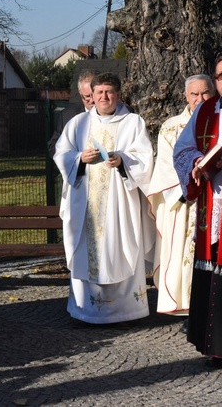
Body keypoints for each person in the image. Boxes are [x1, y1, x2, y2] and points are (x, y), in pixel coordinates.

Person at [54, 72, 156, 323]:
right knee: (86, 252)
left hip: (119, 203)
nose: (104, 97)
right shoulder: (78, 123)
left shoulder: (133, 123)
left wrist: (123, 160)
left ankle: (127, 312)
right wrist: (79, 159)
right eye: (99, 92)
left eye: (109, 92)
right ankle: (84, 312)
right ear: (92, 94)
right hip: (86, 204)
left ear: (118, 94)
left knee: (120, 248)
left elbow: (145, 158)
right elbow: (61, 153)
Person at [172, 55, 222, 366]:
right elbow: (183, 147)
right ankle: (216, 347)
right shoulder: (206, 110)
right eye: (221, 75)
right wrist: (195, 163)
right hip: (212, 198)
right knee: (212, 267)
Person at [147, 74, 214, 322]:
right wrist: (188, 186)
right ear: (185, 96)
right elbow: (165, 166)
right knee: (184, 253)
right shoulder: (171, 126)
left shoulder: (220, 120)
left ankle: (212, 304)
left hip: (215, 197)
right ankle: (186, 306)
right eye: (194, 94)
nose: (199, 99)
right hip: (185, 201)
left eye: (205, 93)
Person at [48, 70, 97, 156]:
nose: (92, 100)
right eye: (87, 96)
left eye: (94, 95)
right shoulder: (67, 116)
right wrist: (76, 155)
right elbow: (53, 147)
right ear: (80, 93)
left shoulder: (116, 114)